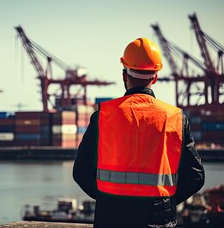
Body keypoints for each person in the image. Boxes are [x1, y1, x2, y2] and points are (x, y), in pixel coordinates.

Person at [73, 37, 205, 227]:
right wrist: (164, 204)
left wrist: (108, 201)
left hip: (111, 218)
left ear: (124, 75)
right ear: (155, 77)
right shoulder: (175, 117)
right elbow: (195, 177)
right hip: (157, 219)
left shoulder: (103, 115)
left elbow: (81, 172)